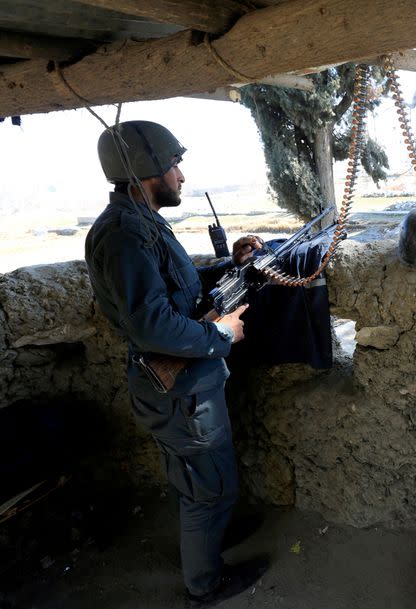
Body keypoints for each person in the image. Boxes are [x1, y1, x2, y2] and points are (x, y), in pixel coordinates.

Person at [84, 121, 267, 607]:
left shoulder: (139, 225)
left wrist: (231, 264)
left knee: (201, 480)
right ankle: (204, 584)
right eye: (173, 165)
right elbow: (153, 326)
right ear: (147, 171)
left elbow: (175, 291)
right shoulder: (124, 236)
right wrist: (219, 334)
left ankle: (212, 534)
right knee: (208, 488)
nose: (181, 175)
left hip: (182, 386)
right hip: (180, 391)